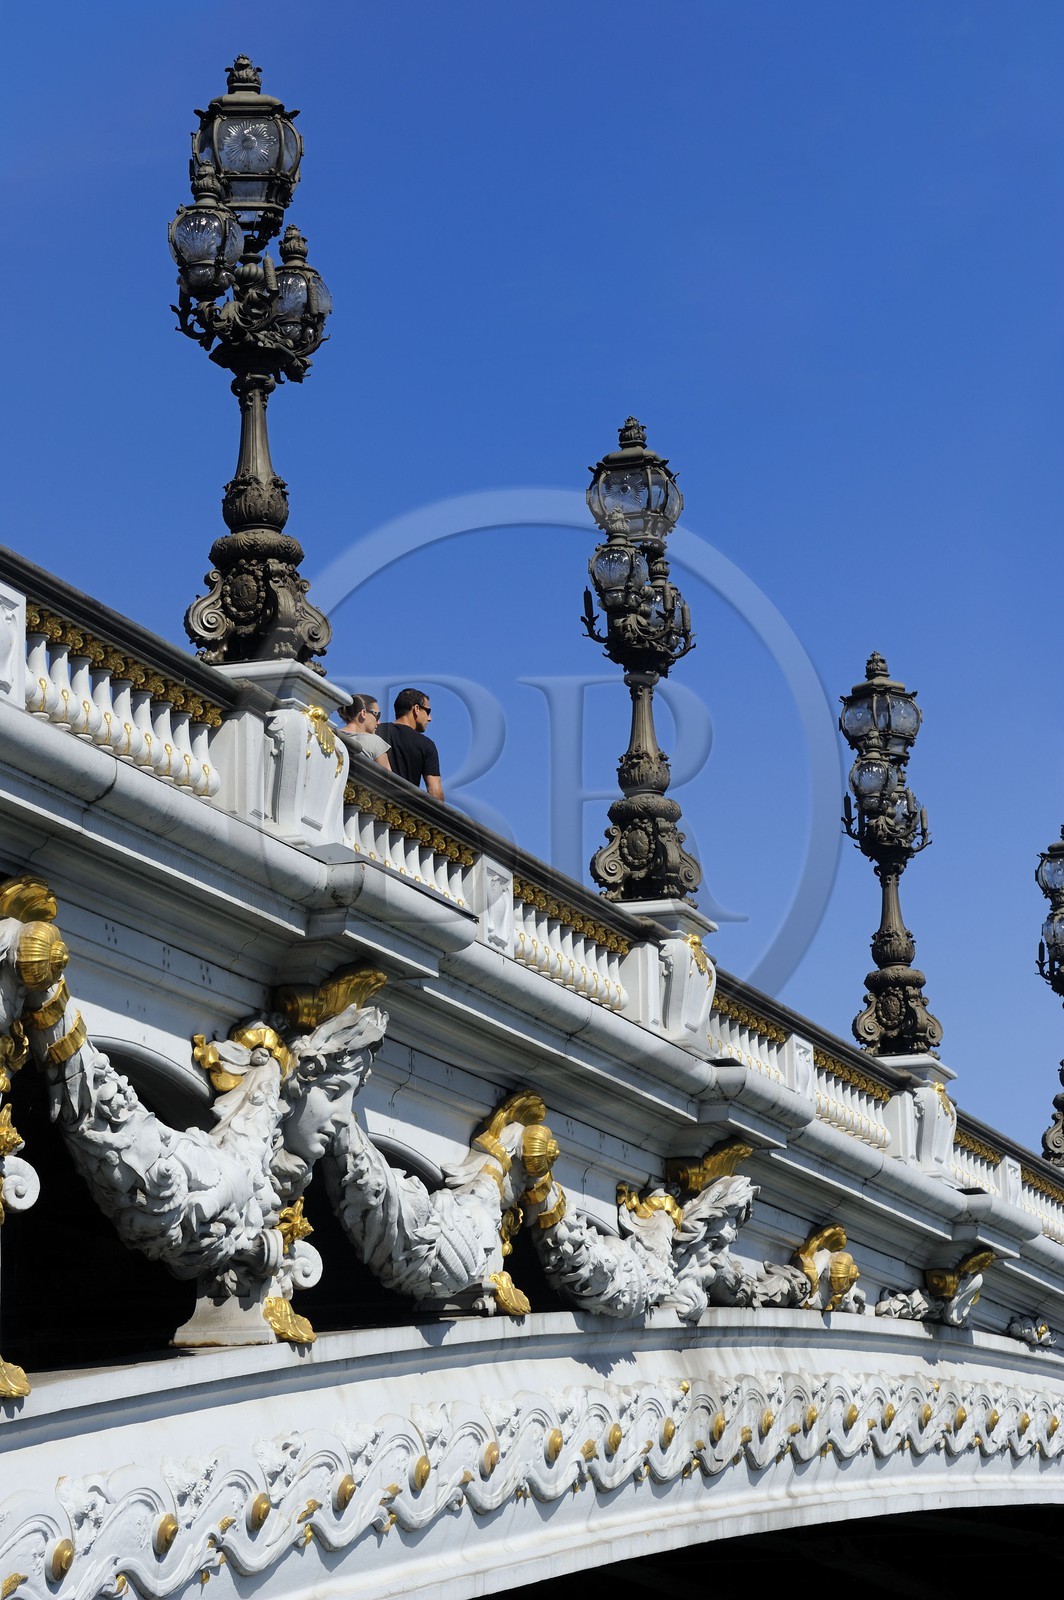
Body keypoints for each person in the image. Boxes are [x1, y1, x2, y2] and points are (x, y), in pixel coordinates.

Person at [378, 688, 444, 801]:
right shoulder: (427, 745)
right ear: (416, 709)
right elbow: (435, 793)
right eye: (428, 712)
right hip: (404, 813)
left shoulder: (376, 731)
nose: (430, 719)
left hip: (372, 807)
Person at [341, 694, 391, 769]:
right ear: (363, 713)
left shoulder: (333, 735)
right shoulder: (375, 742)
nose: (378, 722)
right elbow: (388, 779)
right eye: (377, 715)